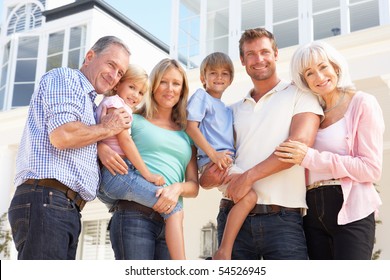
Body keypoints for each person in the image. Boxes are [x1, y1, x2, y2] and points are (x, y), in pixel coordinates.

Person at [200, 28, 324, 260]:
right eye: (251, 54)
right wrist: (210, 175)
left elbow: (298, 146)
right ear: (242, 60)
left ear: (276, 54)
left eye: (265, 52)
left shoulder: (300, 94)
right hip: (232, 217)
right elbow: (206, 176)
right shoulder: (230, 111)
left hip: (284, 221)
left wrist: (248, 177)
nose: (259, 59)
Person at [8, 36, 131, 260]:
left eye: (120, 72)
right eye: (111, 64)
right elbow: (63, 135)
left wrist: (99, 146)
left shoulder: (90, 104)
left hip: (64, 207)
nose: (114, 76)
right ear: (90, 56)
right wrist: (106, 129)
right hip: (47, 199)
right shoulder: (66, 78)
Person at [275, 41, 384, 260]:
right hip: (311, 210)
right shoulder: (311, 111)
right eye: (309, 73)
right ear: (303, 80)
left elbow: (371, 169)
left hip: (351, 209)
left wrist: (311, 158)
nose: (319, 76)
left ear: (335, 67)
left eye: (323, 67)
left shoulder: (362, 103)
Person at [97, 58, 199, 260]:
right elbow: (104, 136)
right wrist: (100, 148)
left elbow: (194, 187)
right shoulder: (133, 119)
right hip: (135, 216)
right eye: (163, 81)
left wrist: (176, 188)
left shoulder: (188, 133)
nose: (169, 89)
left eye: (176, 83)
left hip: (170, 224)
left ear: (182, 90)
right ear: (152, 86)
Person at [186, 52, 257, 260]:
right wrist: (213, 155)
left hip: (226, 163)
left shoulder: (227, 110)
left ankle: (228, 248)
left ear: (231, 79)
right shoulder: (201, 96)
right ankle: (224, 250)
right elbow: (191, 128)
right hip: (212, 162)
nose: (219, 77)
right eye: (213, 73)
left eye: (225, 74)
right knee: (250, 196)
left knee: (243, 197)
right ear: (203, 77)